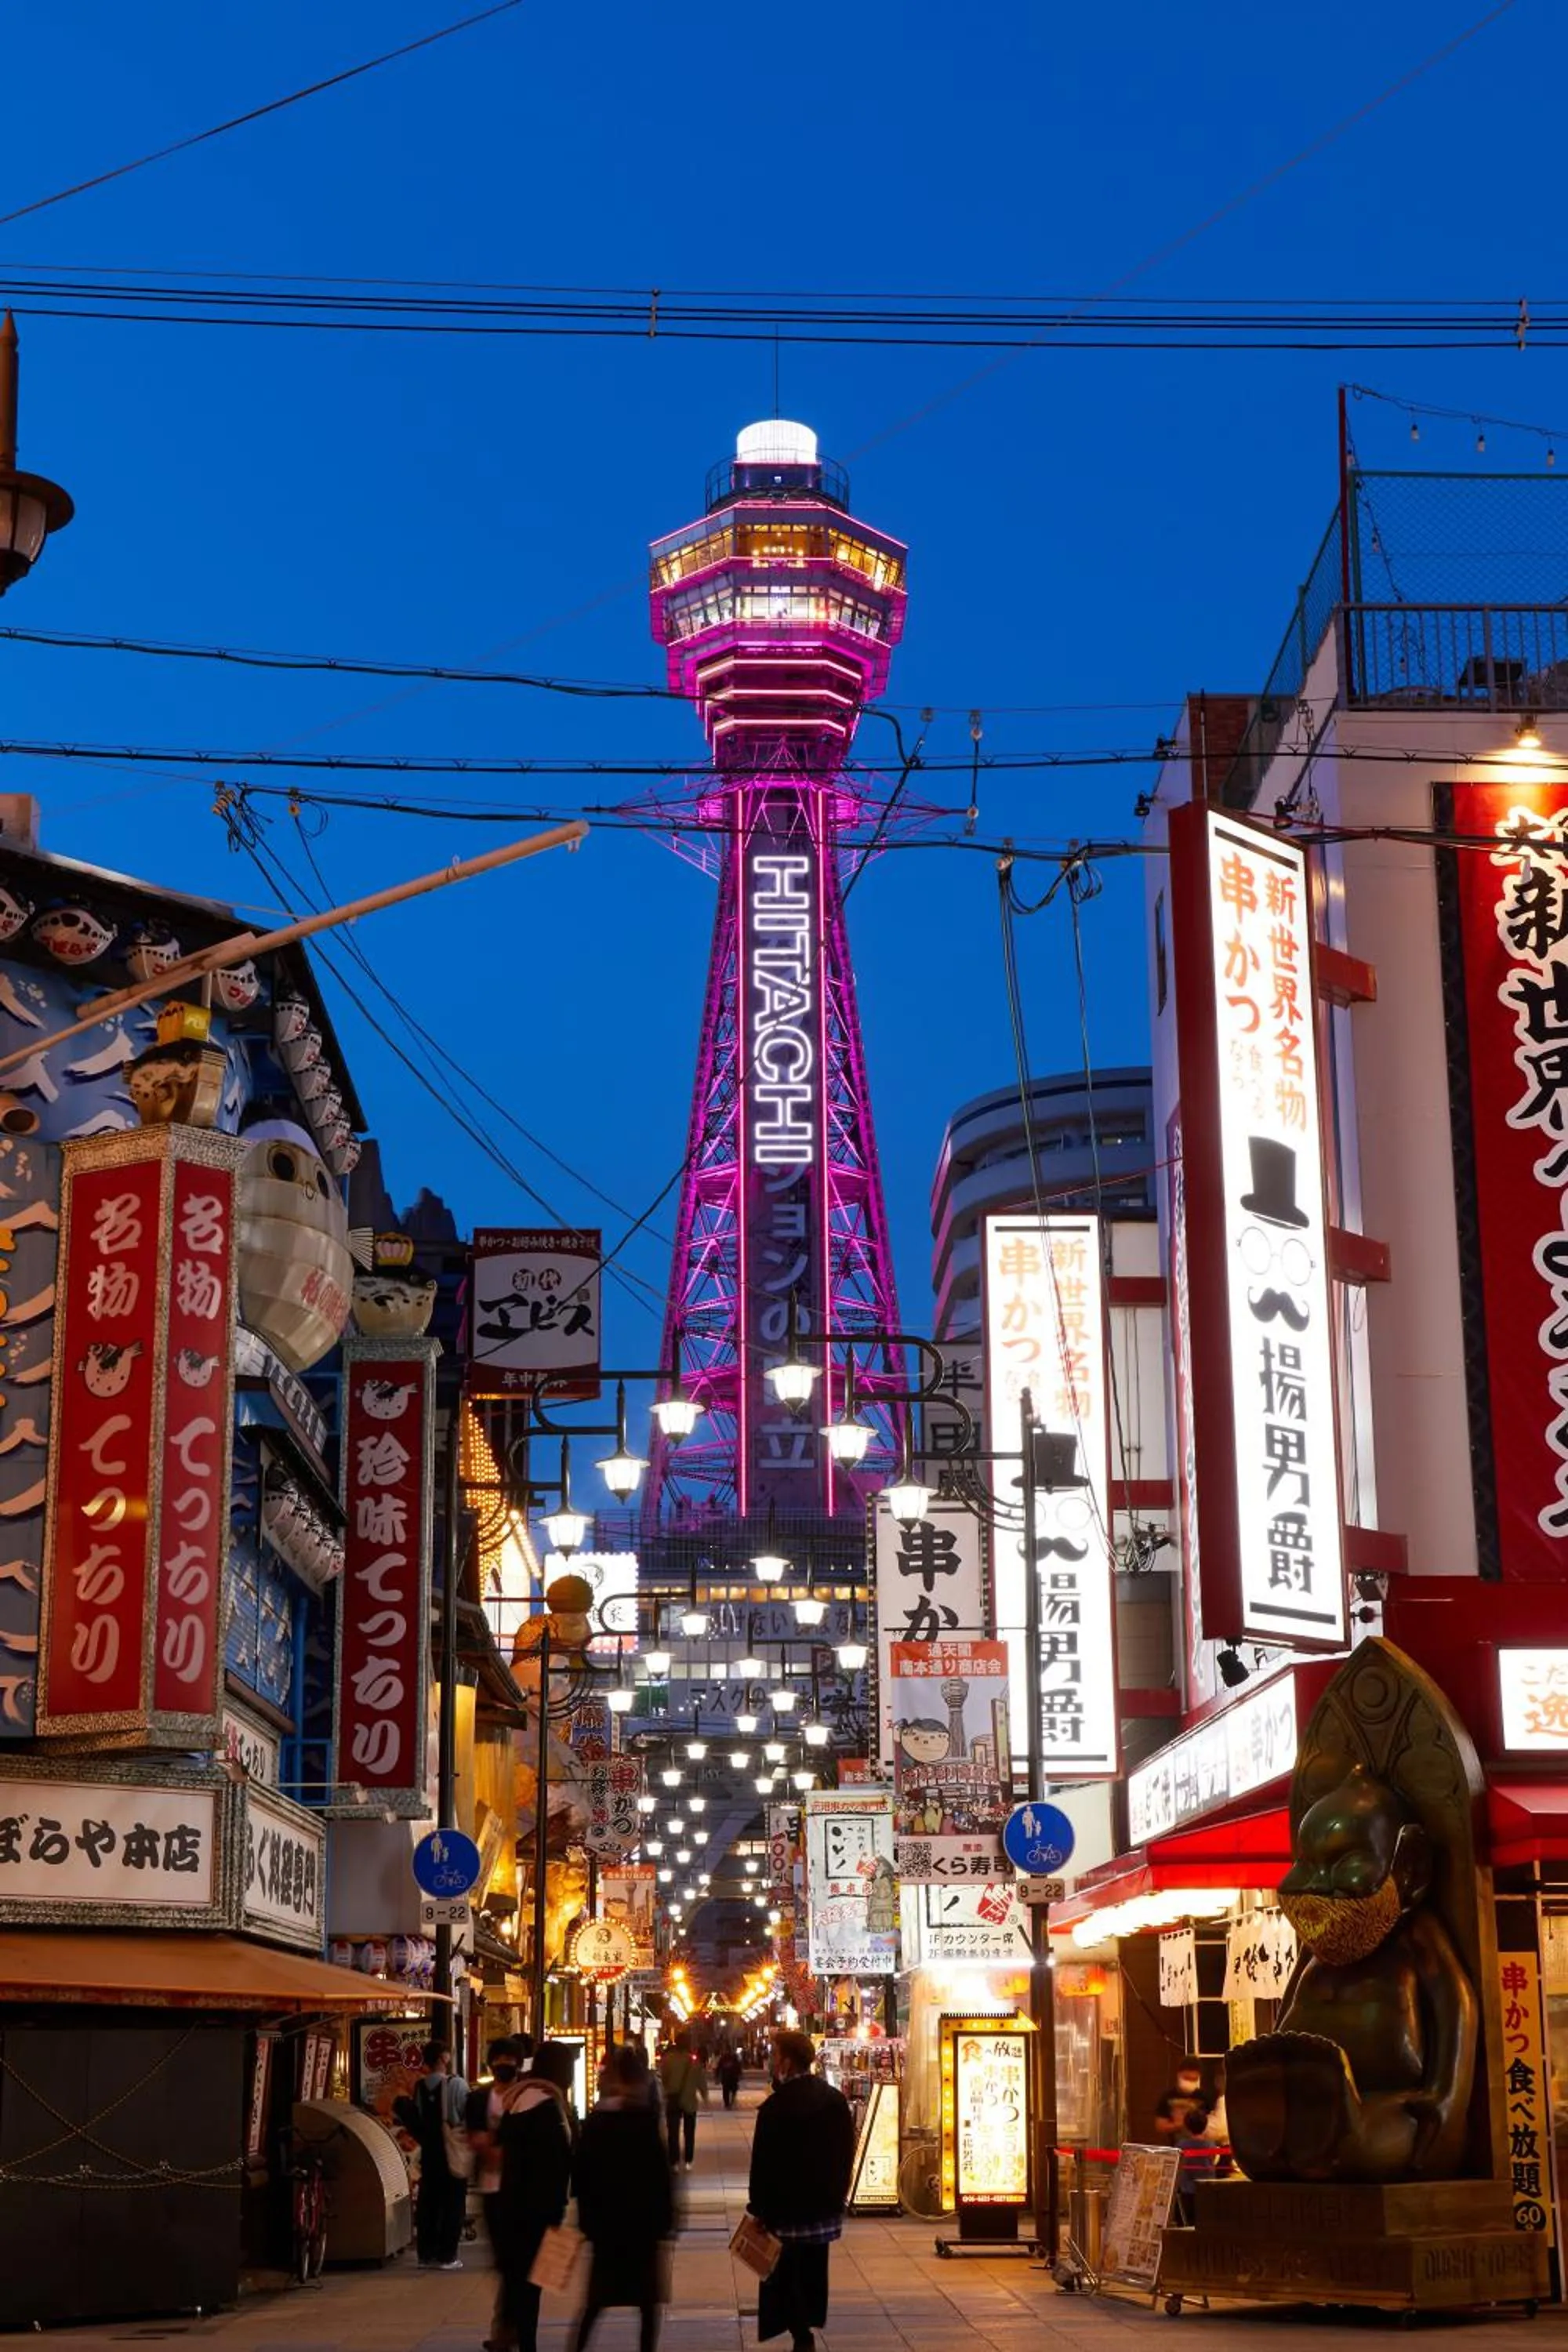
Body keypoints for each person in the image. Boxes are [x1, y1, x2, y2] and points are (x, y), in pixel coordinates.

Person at [748, 2030, 855, 2352]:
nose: (770, 2060)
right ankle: (805, 2327)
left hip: (786, 2211)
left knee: (782, 2276)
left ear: (787, 2061)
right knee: (812, 2271)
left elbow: (763, 2164)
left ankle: (801, 2335)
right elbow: (846, 2152)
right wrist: (838, 2194)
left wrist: (759, 2209)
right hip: (823, 2208)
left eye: (774, 2054)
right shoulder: (833, 2100)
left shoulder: (775, 2108)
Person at [569, 2044, 675, 2352]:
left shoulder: (597, 2122)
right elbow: (661, 2176)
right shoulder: (644, 2121)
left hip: (607, 2226)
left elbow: (582, 2175)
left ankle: (577, 2349)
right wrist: (665, 2220)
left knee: (597, 2300)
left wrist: (587, 2221)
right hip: (642, 2227)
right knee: (646, 2303)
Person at [495, 2043, 576, 2352]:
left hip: (518, 2206)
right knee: (531, 2284)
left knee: (526, 2283)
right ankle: (525, 2343)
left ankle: (519, 2338)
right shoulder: (544, 2107)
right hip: (537, 2209)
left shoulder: (520, 2100)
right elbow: (553, 2161)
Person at [467, 2038, 524, 2349]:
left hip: (520, 2191)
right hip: (489, 2189)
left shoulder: (528, 2099)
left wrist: (495, 2145)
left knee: (514, 2262)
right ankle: (508, 2324)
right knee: (504, 2262)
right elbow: (477, 2142)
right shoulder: (478, 2099)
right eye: (499, 2059)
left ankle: (506, 2327)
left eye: (509, 2059)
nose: (504, 2064)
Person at [406, 2040, 470, 2271]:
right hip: (451, 2153)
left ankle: (426, 2254)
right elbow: (467, 2114)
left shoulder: (420, 2087)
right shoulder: (457, 2085)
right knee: (453, 2203)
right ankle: (448, 2255)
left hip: (429, 2153)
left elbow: (419, 2116)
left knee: (429, 2203)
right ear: (443, 2058)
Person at [659, 2030, 706, 2170]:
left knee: (673, 2132)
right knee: (689, 2132)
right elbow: (700, 2080)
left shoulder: (668, 2059)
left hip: (673, 2099)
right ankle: (688, 2160)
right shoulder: (693, 2061)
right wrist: (704, 2095)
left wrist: (667, 2091)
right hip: (690, 2101)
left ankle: (674, 2161)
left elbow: (664, 2077)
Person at [1154, 2060, 1204, 2144]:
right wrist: (1182, 2124)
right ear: (1179, 2075)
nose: (1190, 2082)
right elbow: (1160, 2126)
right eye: (1187, 2078)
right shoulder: (1168, 2097)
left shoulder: (1203, 2097)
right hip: (1175, 2147)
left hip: (1200, 2148)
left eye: (1194, 2079)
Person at [717, 2047, 742, 2111]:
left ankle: (728, 2103)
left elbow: (738, 2066)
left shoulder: (731, 2058)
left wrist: (739, 2074)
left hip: (730, 2078)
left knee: (729, 2091)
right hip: (729, 2078)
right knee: (728, 2091)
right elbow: (719, 2067)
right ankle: (728, 2103)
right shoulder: (725, 2058)